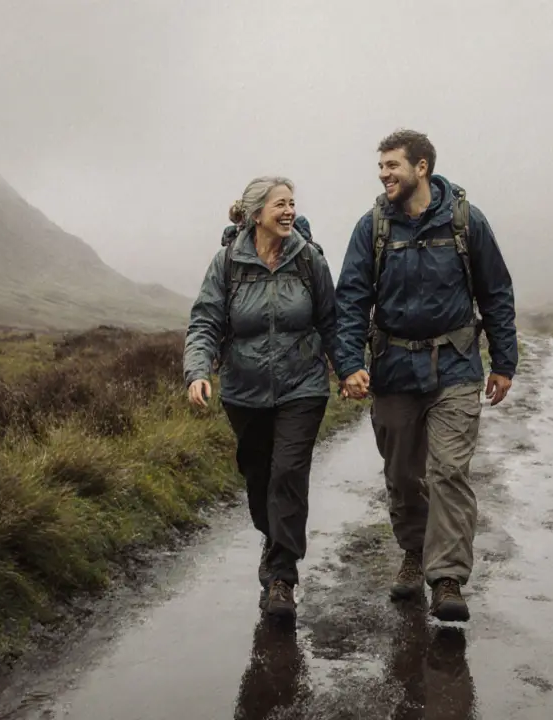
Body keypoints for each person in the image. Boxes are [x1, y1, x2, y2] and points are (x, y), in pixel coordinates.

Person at [332, 129, 518, 622]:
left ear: (422, 168)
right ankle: (414, 552)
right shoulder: (371, 227)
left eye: (393, 165)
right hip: (392, 370)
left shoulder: (464, 222)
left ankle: (448, 577)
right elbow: (350, 299)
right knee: (402, 474)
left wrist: (504, 362)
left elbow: (495, 290)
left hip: (455, 366)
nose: (383, 174)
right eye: (381, 166)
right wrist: (350, 363)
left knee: (449, 471)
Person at [183, 175, 340, 621]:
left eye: (292, 203)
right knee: (258, 476)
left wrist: (349, 370)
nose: (289, 211)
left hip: (302, 386)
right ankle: (274, 544)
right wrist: (197, 370)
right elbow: (205, 321)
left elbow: (331, 321)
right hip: (244, 392)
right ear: (256, 214)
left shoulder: (309, 260)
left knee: (287, 473)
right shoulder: (228, 262)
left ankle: (281, 578)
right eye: (280, 205)